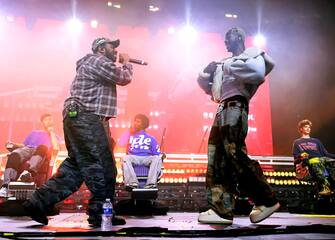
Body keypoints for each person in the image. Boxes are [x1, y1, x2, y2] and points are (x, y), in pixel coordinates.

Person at [23, 37, 133, 227]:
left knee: (75, 168)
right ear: (100, 48)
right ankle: (100, 214)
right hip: (87, 118)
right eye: (111, 46)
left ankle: (37, 203)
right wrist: (126, 62)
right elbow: (124, 77)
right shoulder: (96, 61)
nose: (114, 50)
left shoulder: (95, 63)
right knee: (99, 166)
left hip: (84, 118)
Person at [197, 27, 280, 224]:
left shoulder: (251, 54)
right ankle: (221, 210)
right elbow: (210, 88)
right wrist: (205, 73)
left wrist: (227, 66)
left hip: (235, 104)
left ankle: (266, 199)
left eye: (229, 37)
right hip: (223, 107)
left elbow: (258, 73)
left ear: (240, 37)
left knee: (233, 153)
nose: (225, 41)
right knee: (217, 158)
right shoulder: (224, 63)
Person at [0, 113, 60, 198]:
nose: (49, 121)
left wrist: (51, 132)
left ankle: (28, 173)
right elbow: (24, 145)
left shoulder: (54, 136)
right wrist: (14, 144)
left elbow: (56, 147)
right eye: (46, 120)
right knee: (14, 154)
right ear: (42, 122)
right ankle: (6, 186)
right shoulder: (34, 133)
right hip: (28, 149)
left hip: (41, 151)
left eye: (50, 120)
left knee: (43, 147)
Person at [292, 119, 335, 196]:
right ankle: (325, 186)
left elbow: (325, 153)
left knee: (332, 162)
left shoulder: (316, 141)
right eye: (306, 127)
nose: (308, 128)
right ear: (301, 129)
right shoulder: (297, 142)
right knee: (315, 161)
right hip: (309, 162)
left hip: (321, 159)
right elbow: (296, 156)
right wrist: (301, 156)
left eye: (309, 127)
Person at [119, 114, 162, 189]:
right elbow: (121, 144)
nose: (135, 123)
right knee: (125, 158)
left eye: (138, 121)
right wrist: (129, 131)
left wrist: (161, 156)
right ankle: (132, 183)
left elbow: (157, 153)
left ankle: (151, 184)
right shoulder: (130, 135)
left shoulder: (151, 138)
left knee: (157, 158)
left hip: (147, 158)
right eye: (134, 121)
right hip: (133, 157)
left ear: (143, 124)